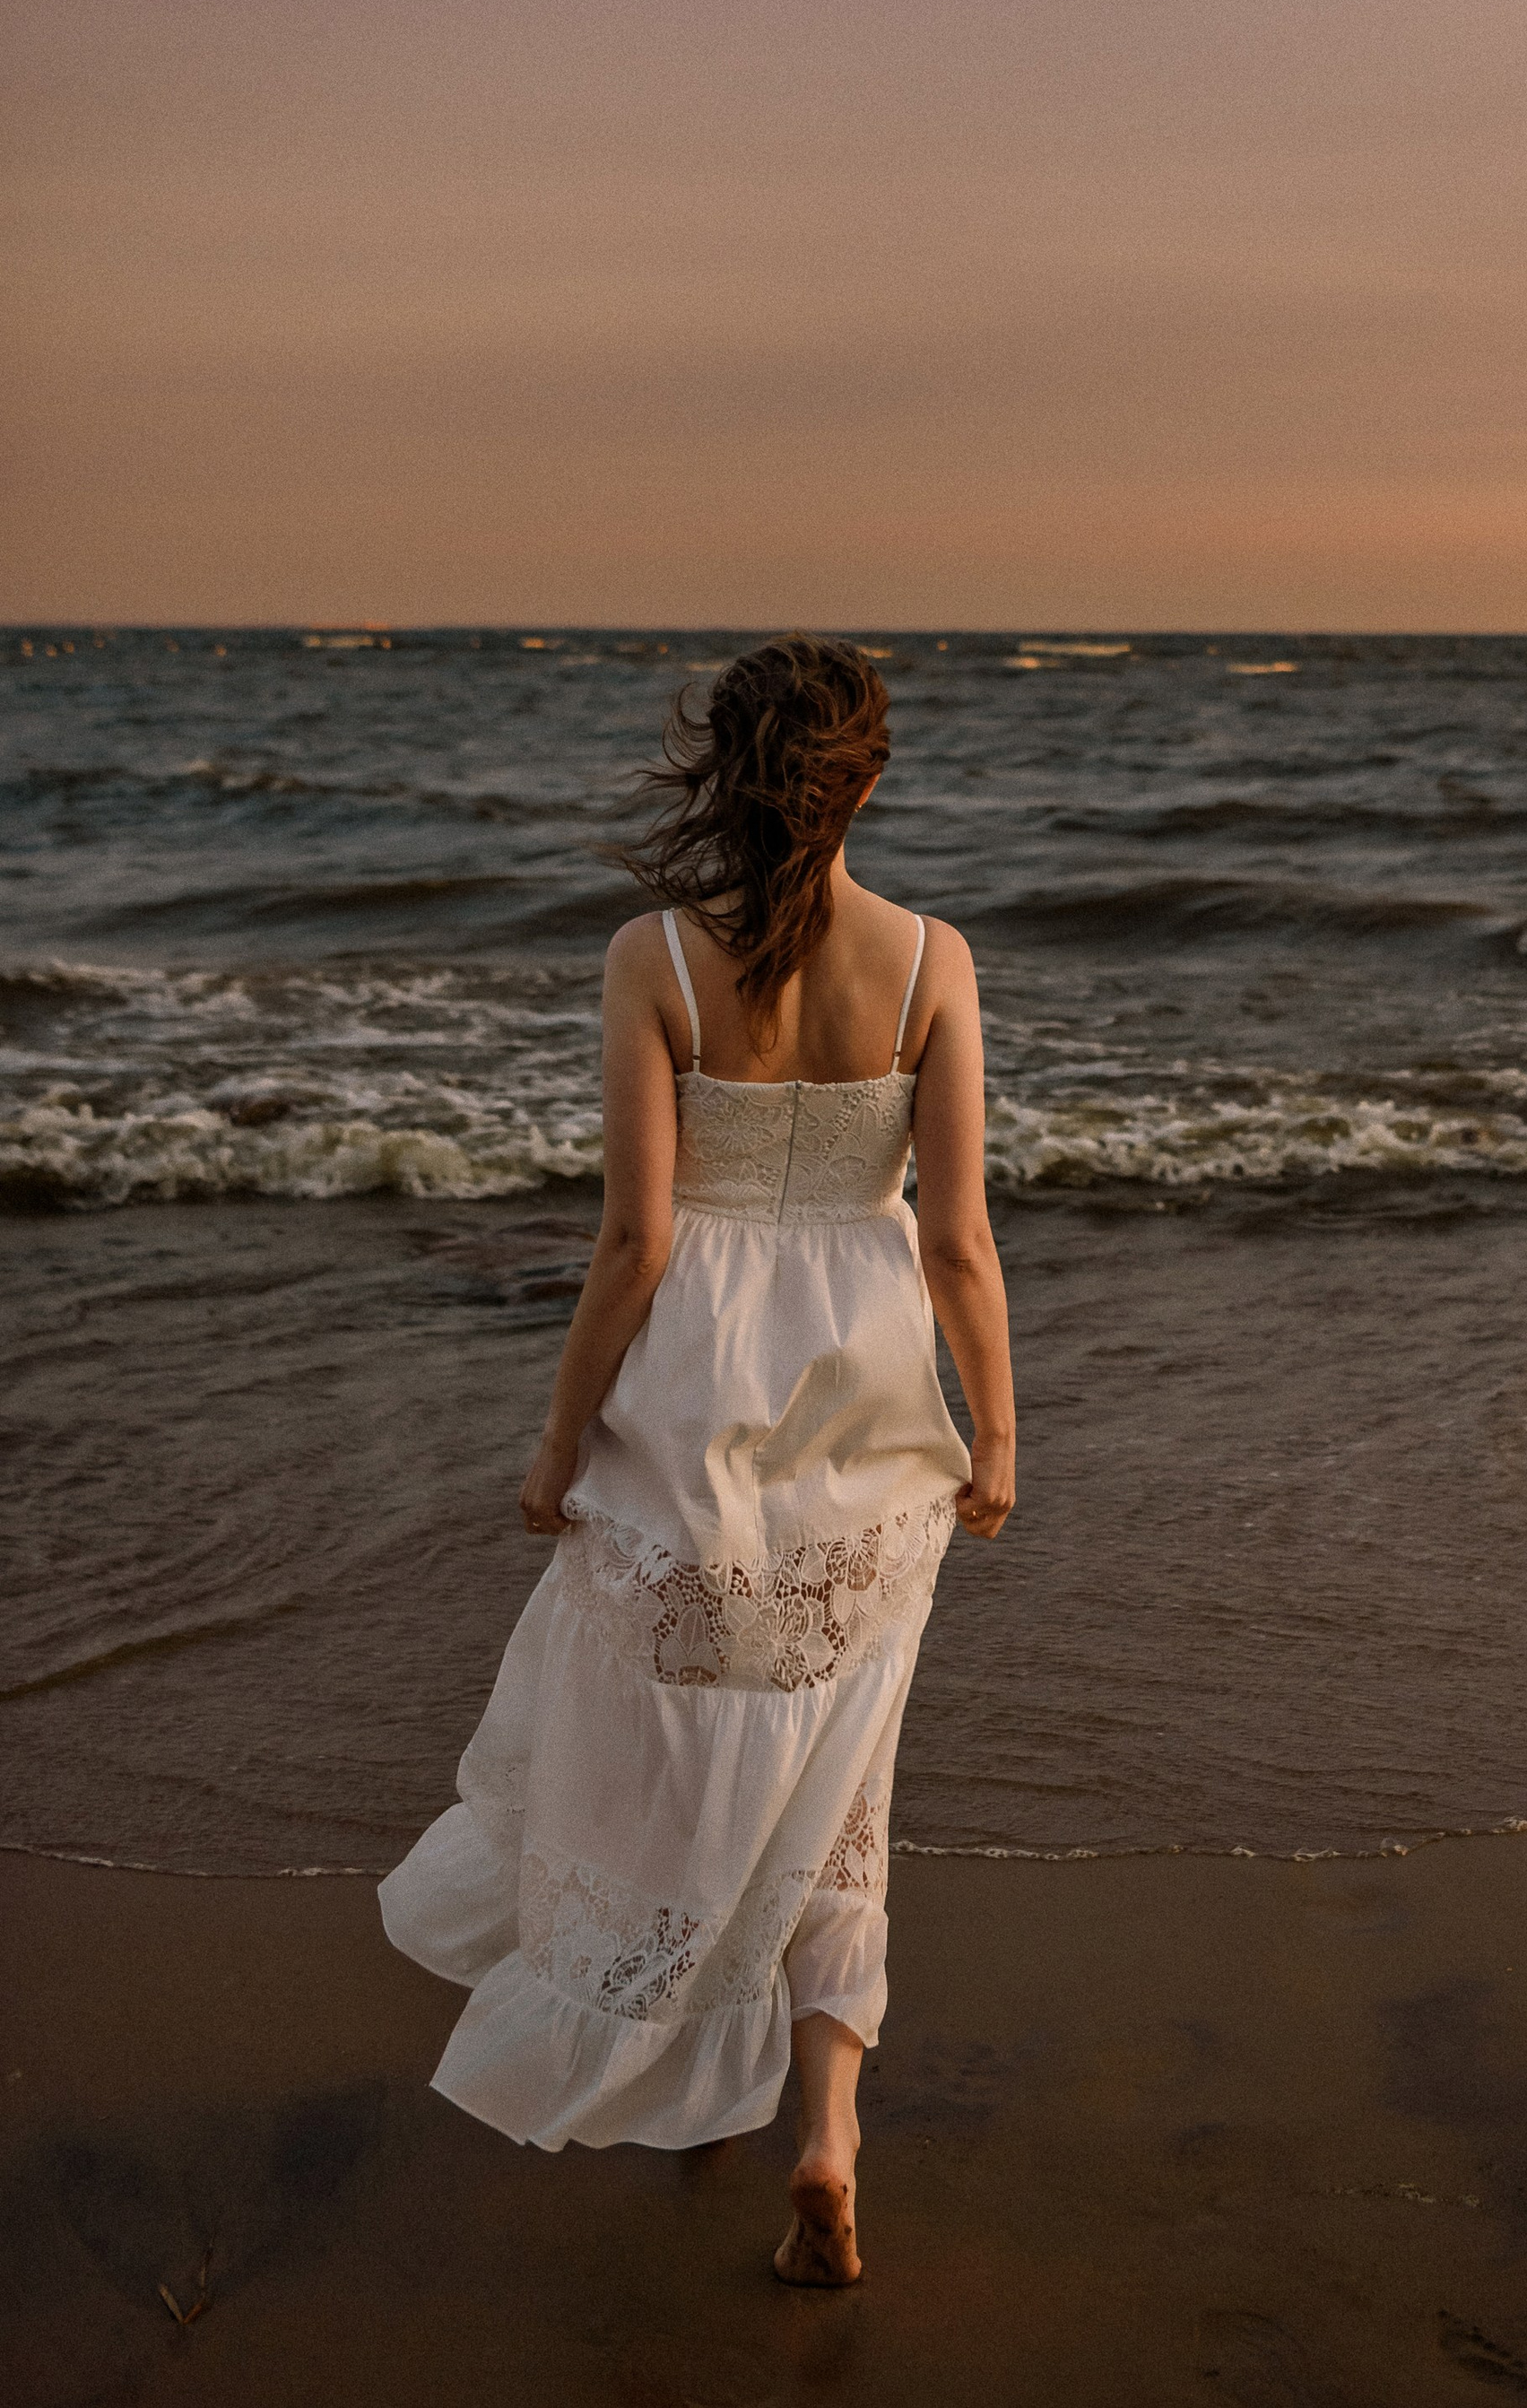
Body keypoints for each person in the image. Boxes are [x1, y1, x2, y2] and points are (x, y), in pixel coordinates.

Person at [379, 632, 1016, 2287]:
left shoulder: (654, 956)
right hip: (874, 1433)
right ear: (867, 775)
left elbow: (636, 1239)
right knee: (841, 1788)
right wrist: (998, 1431)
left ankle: (672, 2057)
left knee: (676, 1749)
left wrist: (556, 1434)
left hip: (685, 1424)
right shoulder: (934, 959)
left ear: (721, 773)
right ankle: (826, 2131)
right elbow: (955, 1239)